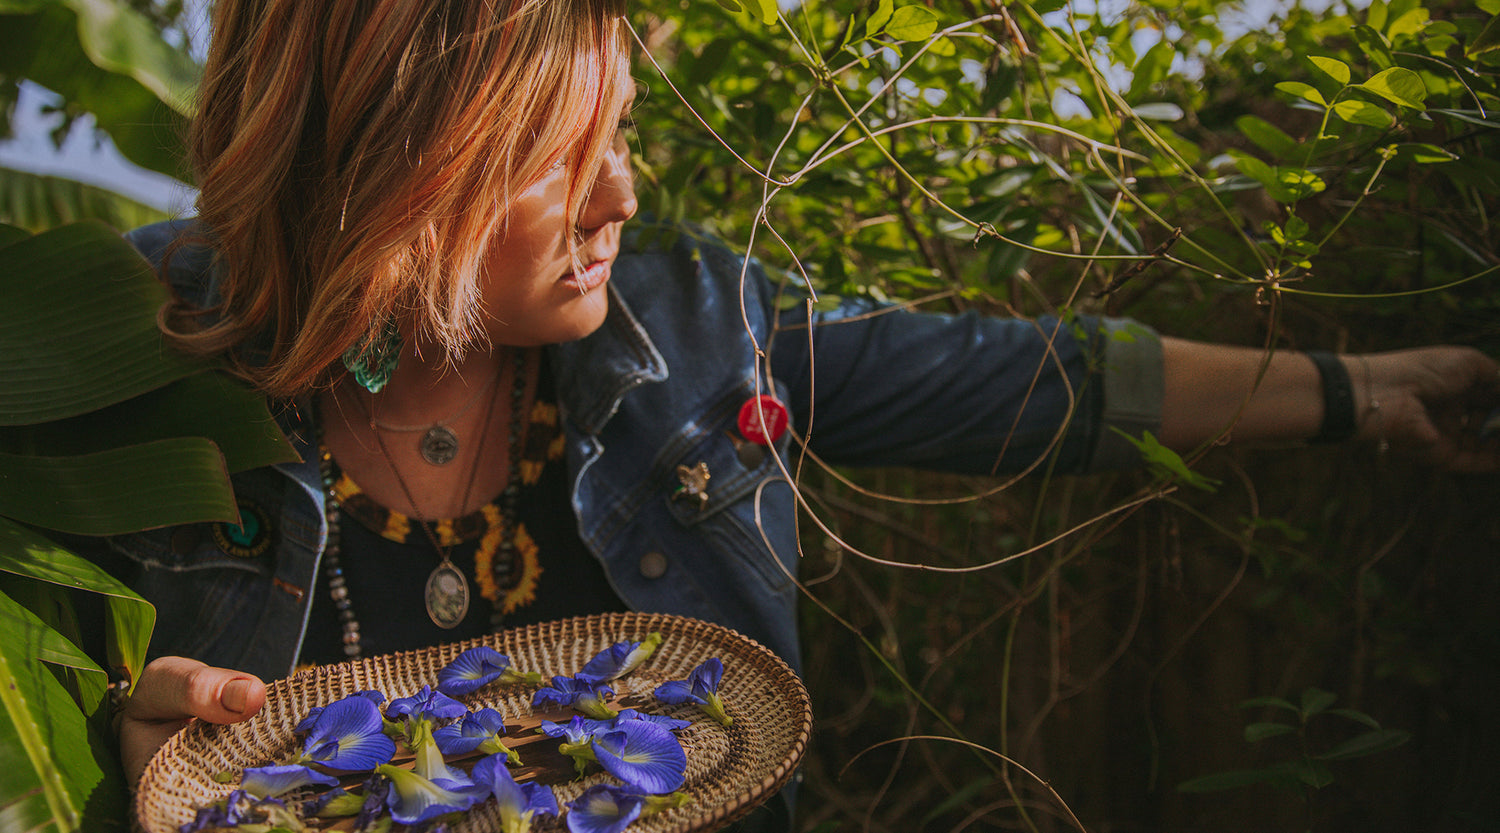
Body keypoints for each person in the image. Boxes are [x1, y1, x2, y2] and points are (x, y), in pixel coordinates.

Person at [100, 0, 1499, 824]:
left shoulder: (705, 332)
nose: (622, 199)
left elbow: (1032, 378)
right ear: (393, 172)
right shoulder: (119, 354)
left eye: (625, 135)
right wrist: (108, 750)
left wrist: (1362, 391)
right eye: (556, 161)